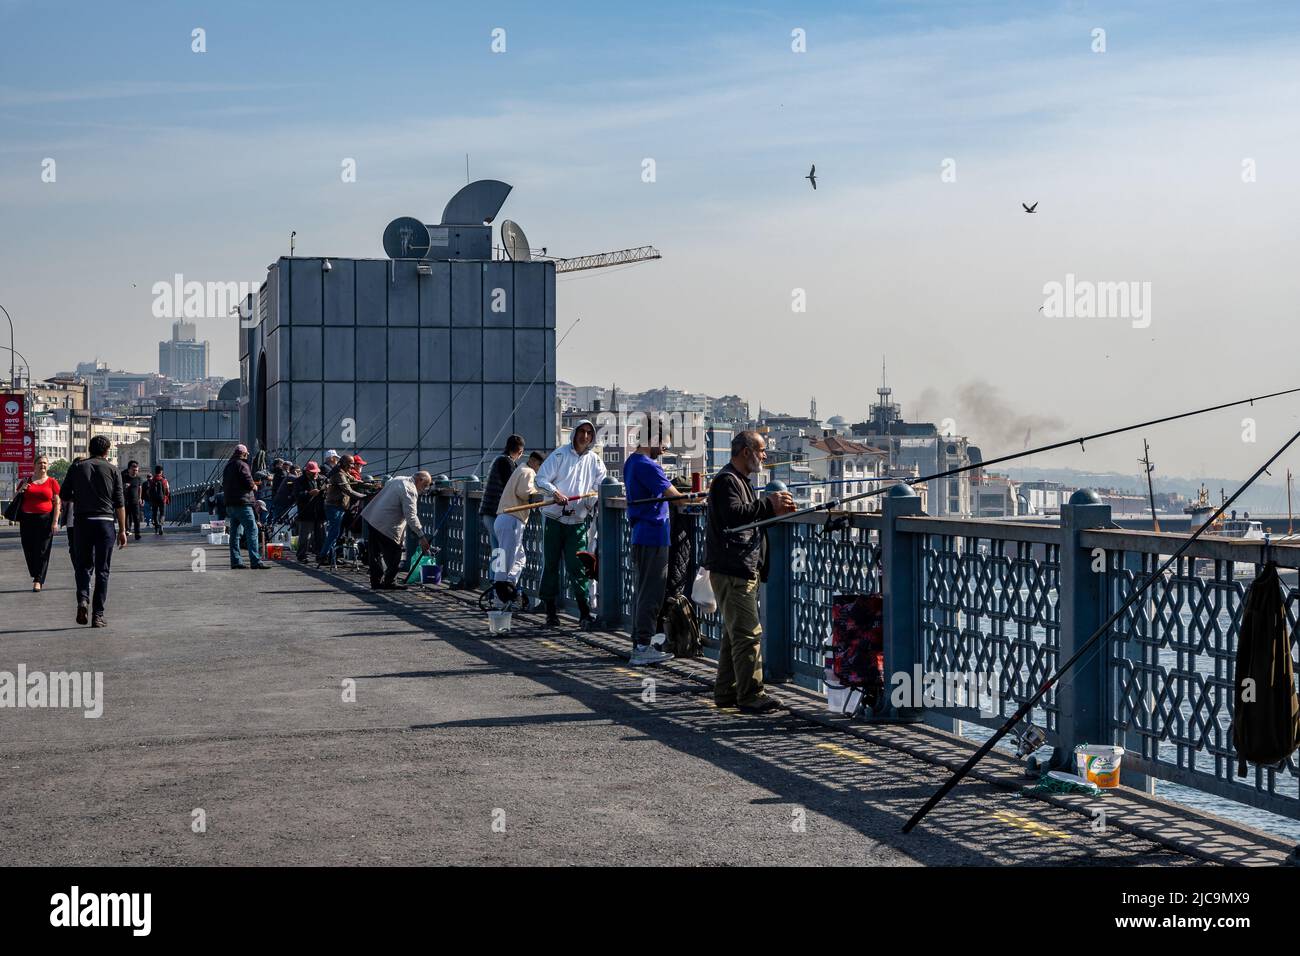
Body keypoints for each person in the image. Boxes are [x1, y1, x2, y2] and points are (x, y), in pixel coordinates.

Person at [703, 430, 796, 712]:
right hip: (733, 570)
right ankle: (751, 694)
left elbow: (746, 513)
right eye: (762, 450)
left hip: (738, 567)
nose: (765, 456)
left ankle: (726, 691)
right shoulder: (727, 481)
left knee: (734, 635)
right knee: (748, 634)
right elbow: (734, 514)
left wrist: (773, 508)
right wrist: (770, 504)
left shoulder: (738, 480)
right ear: (746, 452)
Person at [621, 421, 684, 665]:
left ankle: (640, 641)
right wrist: (703, 496)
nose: (665, 449)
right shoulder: (648, 466)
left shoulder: (631, 462)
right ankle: (642, 647)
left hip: (641, 534)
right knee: (652, 593)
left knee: (643, 591)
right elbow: (678, 500)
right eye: (664, 445)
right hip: (653, 535)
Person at [534, 419, 607, 629]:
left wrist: (591, 502)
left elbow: (598, 488)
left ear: (592, 437)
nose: (585, 436)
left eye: (589, 433)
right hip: (554, 520)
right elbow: (540, 480)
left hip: (577, 522)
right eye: (581, 432)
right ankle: (550, 612)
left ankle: (584, 613)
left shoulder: (595, 461)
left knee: (579, 568)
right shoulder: (559, 455)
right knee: (551, 566)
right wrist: (555, 493)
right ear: (574, 433)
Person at [60, 435, 127, 627]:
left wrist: (80, 497)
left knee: (83, 565)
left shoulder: (77, 467)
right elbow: (120, 504)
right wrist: (122, 530)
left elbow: (64, 494)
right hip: (105, 522)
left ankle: (82, 599)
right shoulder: (114, 470)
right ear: (107, 451)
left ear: (89, 449)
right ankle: (98, 615)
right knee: (102, 570)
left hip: (82, 522)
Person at [362, 471, 433, 589]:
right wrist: (421, 536)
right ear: (420, 480)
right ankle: (389, 582)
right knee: (395, 554)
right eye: (425, 485)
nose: (424, 489)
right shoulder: (410, 490)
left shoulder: (398, 479)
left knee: (375, 553)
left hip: (373, 518)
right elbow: (411, 516)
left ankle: (376, 581)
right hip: (386, 524)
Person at [492, 450, 544, 607]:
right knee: (506, 561)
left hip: (503, 518)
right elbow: (524, 492)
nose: (540, 469)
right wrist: (541, 491)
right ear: (535, 462)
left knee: (519, 558)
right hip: (512, 520)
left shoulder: (519, 469)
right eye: (541, 466)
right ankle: (500, 598)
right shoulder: (528, 471)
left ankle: (509, 587)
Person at [16, 454, 61, 592]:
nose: (43, 465)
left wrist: (55, 522)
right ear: (34, 465)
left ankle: (38, 579)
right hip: (27, 520)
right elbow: (16, 498)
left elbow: (57, 502)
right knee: (28, 548)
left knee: (43, 550)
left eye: (45, 463)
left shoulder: (52, 482)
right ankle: (35, 572)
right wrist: (22, 488)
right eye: (40, 463)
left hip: (45, 520)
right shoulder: (26, 480)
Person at [223, 444, 269, 570]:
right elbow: (248, 483)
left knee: (235, 534)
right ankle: (255, 561)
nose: (247, 455)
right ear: (243, 454)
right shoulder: (242, 465)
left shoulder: (228, 465)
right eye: (247, 454)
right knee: (252, 530)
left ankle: (236, 561)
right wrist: (254, 486)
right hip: (243, 504)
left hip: (230, 504)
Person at [480, 435, 524, 551]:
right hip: (496, 513)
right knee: (505, 551)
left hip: (489, 513)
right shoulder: (506, 462)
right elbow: (513, 487)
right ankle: (501, 570)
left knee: (498, 552)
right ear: (520, 451)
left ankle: (496, 570)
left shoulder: (499, 459)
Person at [320, 453, 359, 566]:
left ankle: (331, 557)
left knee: (336, 533)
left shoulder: (342, 471)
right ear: (345, 464)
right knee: (334, 533)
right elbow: (348, 490)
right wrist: (363, 496)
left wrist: (362, 482)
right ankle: (323, 555)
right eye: (351, 464)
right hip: (334, 507)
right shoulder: (338, 473)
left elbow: (351, 478)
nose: (352, 466)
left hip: (339, 507)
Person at [295, 461, 326, 561]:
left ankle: (320, 555)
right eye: (312, 473)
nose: (315, 474)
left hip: (320, 511)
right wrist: (309, 493)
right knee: (305, 536)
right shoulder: (300, 480)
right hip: (306, 512)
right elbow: (297, 495)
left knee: (321, 536)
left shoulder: (323, 479)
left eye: (316, 472)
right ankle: (302, 555)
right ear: (307, 472)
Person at [122, 460, 145, 541]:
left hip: (135, 501)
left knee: (136, 517)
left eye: (136, 470)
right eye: (133, 469)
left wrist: (140, 498)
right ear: (129, 469)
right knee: (126, 517)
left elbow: (140, 488)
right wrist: (124, 486)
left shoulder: (138, 478)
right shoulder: (124, 477)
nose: (135, 471)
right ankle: (126, 530)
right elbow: (118, 488)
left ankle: (137, 533)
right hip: (125, 501)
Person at [146, 466, 170, 534]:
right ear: (161, 471)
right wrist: (166, 497)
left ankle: (156, 527)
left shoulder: (152, 480)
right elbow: (167, 491)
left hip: (154, 500)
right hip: (162, 500)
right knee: (162, 513)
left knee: (155, 513)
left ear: (155, 471)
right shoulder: (164, 480)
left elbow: (148, 491)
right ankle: (161, 525)